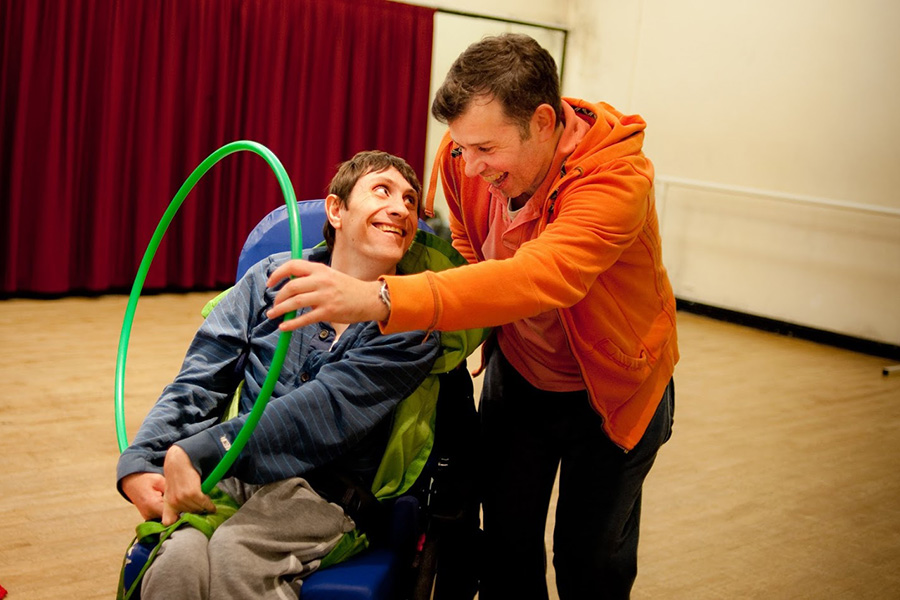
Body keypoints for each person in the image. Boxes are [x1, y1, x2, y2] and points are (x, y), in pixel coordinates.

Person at [266, 34, 678, 600]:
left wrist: (381, 298)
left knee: (589, 559)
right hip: (521, 376)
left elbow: (541, 276)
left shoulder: (617, 179)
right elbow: (469, 244)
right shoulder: (462, 154)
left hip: (613, 390)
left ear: (542, 122)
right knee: (506, 549)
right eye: (462, 148)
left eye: (486, 148)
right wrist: (474, 326)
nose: (471, 165)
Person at [117, 151, 442, 599]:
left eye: (409, 200)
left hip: (324, 496)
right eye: (382, 191)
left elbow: (323, 411)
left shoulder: (414, 321)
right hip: (235, 476)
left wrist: (202, 450)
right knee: (177, 560)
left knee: (237, 557)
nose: (401, 208)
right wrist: (140, 462)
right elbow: (198, 381)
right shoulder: (267, 280)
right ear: (336, 210)